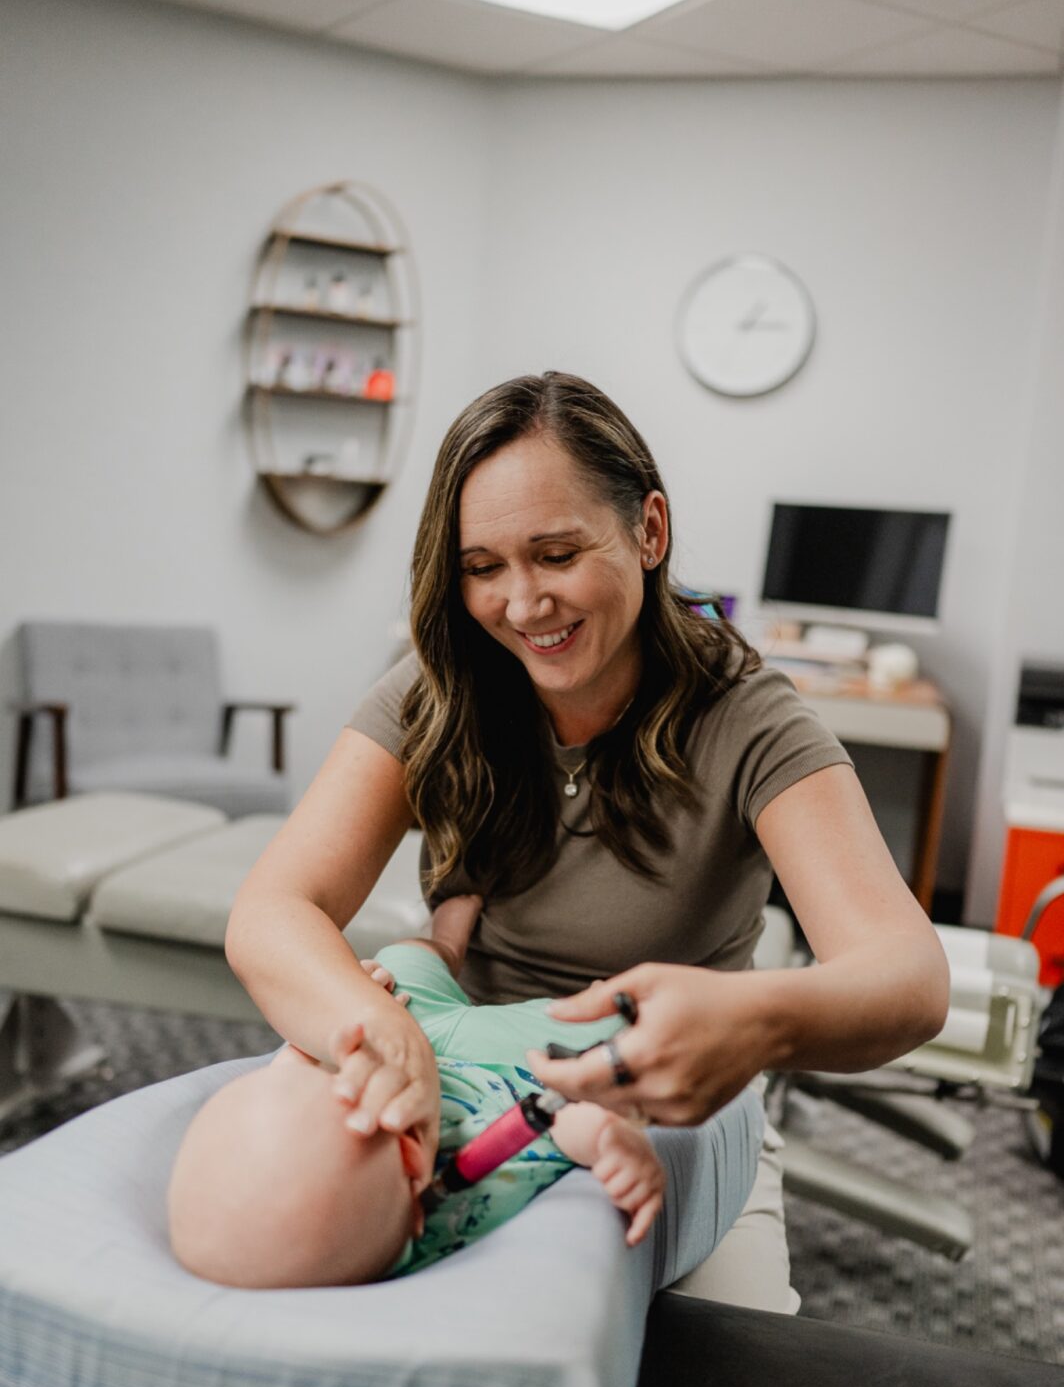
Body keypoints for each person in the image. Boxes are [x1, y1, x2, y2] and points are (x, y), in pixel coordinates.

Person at [225, 370, 949, 1313]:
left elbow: (908, 976)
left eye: (556, 554)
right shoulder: (436, 692)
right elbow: (275, 910)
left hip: (671, 1113)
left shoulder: (750, 717)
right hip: (471, 1079)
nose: (523, 605)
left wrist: (754, 1021)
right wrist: (375, 1032)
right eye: (482, 568)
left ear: (649, 530)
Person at [170, 895, 748, 1288]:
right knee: (620, 1020)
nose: (321, 1075)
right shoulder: (467, 1192)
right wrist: (612, 1144)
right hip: (519, 1055)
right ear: (410, 1155)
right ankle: (614, 964)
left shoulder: (349, 1199)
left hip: (403, 1025)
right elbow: (556, 1126)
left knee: (398, 961)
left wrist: (344, 1014)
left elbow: (308, 1050)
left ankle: (446, 936)